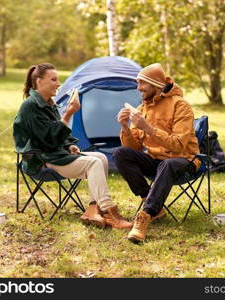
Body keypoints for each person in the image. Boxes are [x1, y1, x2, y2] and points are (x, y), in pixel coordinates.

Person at [13, 63, 132, 229]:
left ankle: (92, 209)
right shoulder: (31, 106)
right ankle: (108, 211)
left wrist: (69, 147)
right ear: (39, 82)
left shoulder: (49, 103)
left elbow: (57, 137)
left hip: (54, 154)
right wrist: (68, 114)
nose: (58, 83)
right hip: (41, 159)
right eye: (53, 79)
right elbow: (48, 140)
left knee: (101, 157)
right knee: (94, 163)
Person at [114, 63, 200, 242]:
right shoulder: (141, 109)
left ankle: (146, 214)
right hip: (157, 162)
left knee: (168, 163)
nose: (138, 88)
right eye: (137, 83)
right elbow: (134, 149)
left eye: (142, 83)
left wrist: (148, 128)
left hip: (183, 161)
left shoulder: (180, 106)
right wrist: (125, 127)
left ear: (155, 84)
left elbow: (178, 145)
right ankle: (152, 203)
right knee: (121, 153)